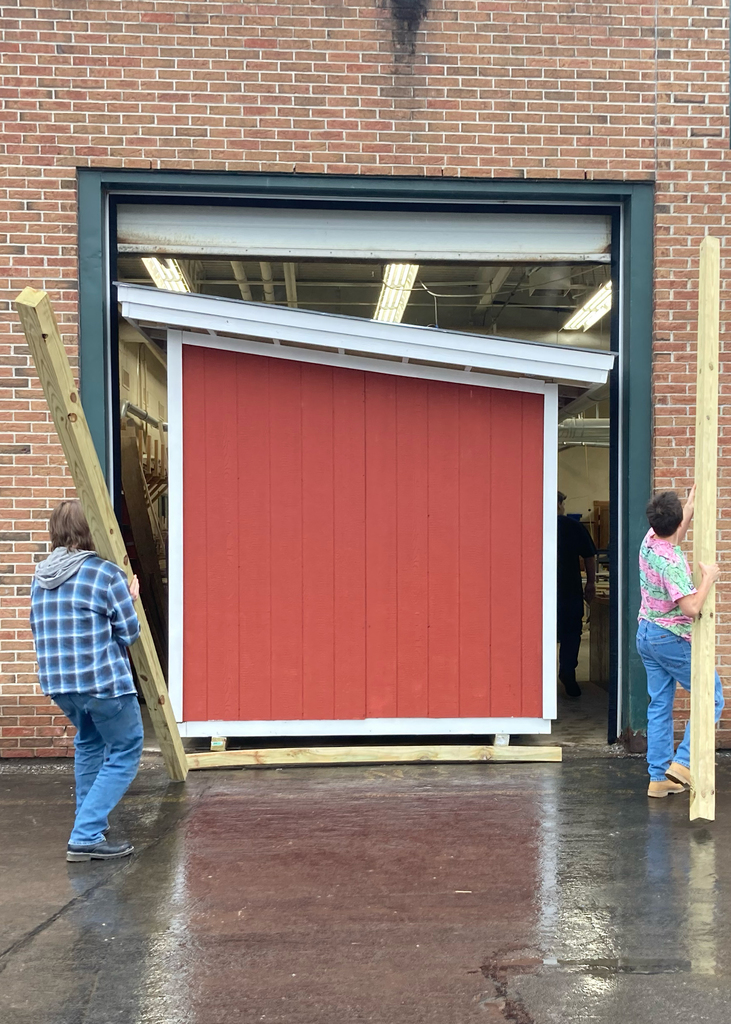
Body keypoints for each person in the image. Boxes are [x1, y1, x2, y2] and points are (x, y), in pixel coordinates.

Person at [30, 499, 143, 860]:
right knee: (126, 748)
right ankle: (86, 834)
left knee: (91, 741)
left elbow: (37, 627)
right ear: (90, 529)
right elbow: (128, 633)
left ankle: (87, 817)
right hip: (103, 682)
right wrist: (132, 599)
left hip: (60, 684)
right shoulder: (104, 573)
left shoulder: (39, 576)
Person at [636, 486, 723, 798]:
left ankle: (658, 779)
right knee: (712, 697)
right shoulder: (671, 562)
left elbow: (677, 528)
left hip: (646, 633)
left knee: (659, 704)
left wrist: (691, 505)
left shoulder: (650, 539)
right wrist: (708, 579)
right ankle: (683, 764)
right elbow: (691, 608)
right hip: (669, 639)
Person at [557, 491, 597, 698]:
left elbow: (589, 555)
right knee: (571, 634)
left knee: (564, 634)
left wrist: (590, 583)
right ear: (559, 505)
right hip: (568, 591)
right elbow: (589, 556)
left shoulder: (534, 525)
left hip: (553, 592)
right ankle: (567, 673)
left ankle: (562, 674)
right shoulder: (572, 527)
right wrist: (590, 583)